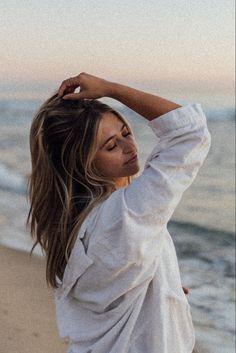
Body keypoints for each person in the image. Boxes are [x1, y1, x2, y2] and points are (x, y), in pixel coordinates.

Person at [27, 72, 211, 353]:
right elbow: (190, 133)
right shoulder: (124, 215)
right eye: (111, 146)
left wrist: (163, 286)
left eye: (126, 132)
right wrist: (111, 89)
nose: (129, 147)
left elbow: (107, 295)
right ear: (82, 162)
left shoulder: (75, 224)